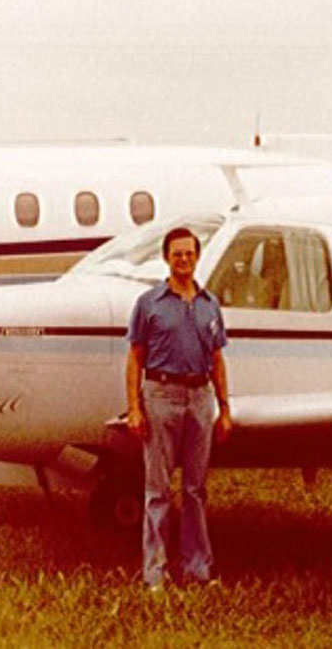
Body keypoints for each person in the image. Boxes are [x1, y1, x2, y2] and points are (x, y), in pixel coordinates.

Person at [125, 226, 233, 590]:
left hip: (200, 398)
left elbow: (217, 359)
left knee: (195, 489)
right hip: (161, 396)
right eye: (177, 254)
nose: (183, 259)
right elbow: (135, 358)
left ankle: (198, 567)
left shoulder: (209, 305)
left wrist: (224, 408)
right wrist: (134, 408)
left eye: (189, 253)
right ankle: (154, 573)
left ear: (196, 257)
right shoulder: (148, 304)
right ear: (167, 258)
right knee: (157, 490)